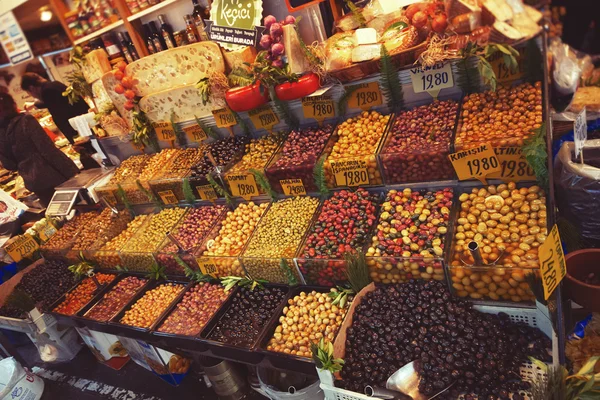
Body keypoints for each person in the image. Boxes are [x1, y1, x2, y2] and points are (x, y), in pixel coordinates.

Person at [0, 92, 79, 206]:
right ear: (12, 104)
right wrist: (72, 171)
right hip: (54, 175)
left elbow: (9, 165)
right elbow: (48, 150)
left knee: (59, 217)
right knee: (79, 212)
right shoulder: (26, 121)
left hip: (34, 182)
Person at [20, 72, 89, 145]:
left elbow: (61, 117)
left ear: (31, 88)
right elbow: (53, 102)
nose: (31, 95)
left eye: (28, 92)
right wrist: (34, 104)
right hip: (82, 123)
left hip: (80, 128)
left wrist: (74, 139)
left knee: (91, 150)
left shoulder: (47, 91)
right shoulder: (53, 85)